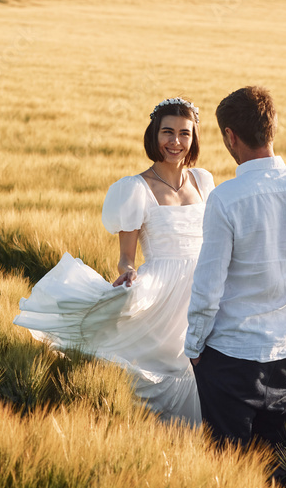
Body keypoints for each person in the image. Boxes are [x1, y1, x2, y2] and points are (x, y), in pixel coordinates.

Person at [15, 97, 215, 426]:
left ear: (194, 138)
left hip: (203, 290)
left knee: (201, 370)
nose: (175, 142)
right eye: (167, 132)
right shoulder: (135, 188)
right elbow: (126, 258)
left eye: (184, 133)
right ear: (154, 135)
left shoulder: (203, 182)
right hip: (163, 293)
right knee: (160, 369)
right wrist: (128, 273)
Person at [185, 86, 286, 454]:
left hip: (230, 357)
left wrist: (194, 345)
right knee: (276, 462)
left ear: (230, 136)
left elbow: (208, 288)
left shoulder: (226, 199)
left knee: (228, 466)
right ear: (272, 128)